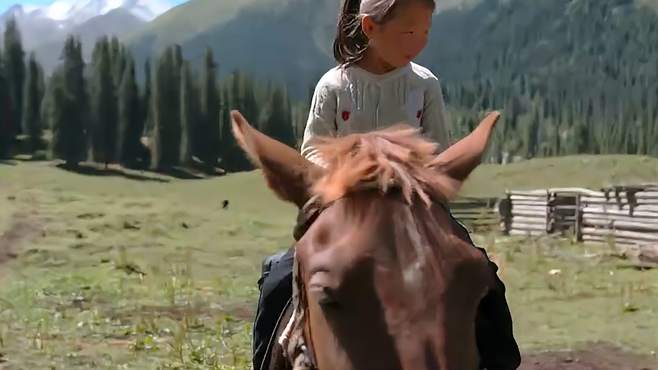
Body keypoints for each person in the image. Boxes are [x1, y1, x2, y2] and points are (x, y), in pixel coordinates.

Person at [251, 0, 522, 369]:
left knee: (480, 274)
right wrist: (347, 177)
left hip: (414, 205)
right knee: (279, 279)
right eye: (408, 31)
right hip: (347, 210)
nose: (419, 41)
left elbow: (437, 149)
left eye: (425, 32)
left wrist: (419, 177)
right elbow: (313, 149)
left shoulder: (425, 85)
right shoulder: (334, 86)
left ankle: (499, 359)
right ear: (369, 28)